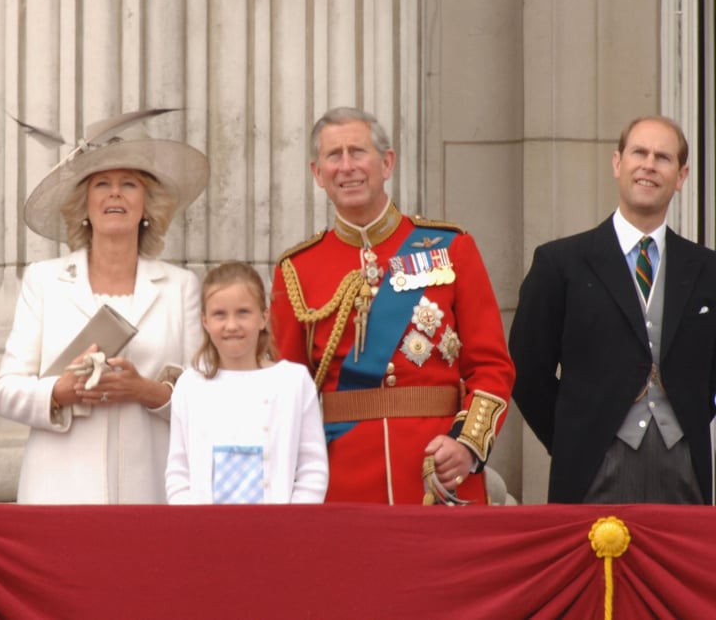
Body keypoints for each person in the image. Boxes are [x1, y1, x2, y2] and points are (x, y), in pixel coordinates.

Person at [269, 107, 514, 505]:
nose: (346, 167)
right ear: (317, 173)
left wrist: (467, 445)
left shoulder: (451, 247)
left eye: (357, 152)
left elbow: (492, 367)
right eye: (334, 156)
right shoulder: (297, 269)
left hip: (438, 471)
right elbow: (286, 392)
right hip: (340, 479)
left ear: (387, 163)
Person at [0, 110, 209, 504]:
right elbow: (4, 390)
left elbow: (205, 399)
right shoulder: (45, 281)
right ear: (84, 205)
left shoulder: (181, 287)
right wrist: (61, 390)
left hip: (153, 494)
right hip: (58, 493)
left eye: (129, 184)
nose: (115, 194)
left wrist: (145, 390)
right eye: (101, 184)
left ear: (147, 206)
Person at [510, 115, 716, 504]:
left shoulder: (708, 270)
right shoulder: (561, 263)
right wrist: (574, 437)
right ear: (617, 163)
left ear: (682, 175)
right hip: (591, 470)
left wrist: (683, 427)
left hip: (684, 468)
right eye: (639, 152)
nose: (649, 165)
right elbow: (526, 368)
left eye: (663, 157)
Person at [166, 261, 328, 504]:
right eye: (219, 314)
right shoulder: (190, 385)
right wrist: (193, 522)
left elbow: (311, 467)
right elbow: (179, 472)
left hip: (278, 529)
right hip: (205, 531)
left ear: (263, 317)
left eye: (243, 312)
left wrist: (294, 520)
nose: (232, 325)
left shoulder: (293, 382)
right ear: (204, 321)